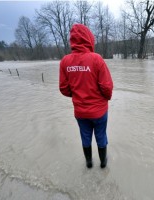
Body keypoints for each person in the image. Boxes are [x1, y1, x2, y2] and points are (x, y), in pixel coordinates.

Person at [59, 24, 113, 169]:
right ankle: (103, 163)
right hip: (99, 111)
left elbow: (63, 89)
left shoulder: (65, 61)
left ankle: (89, 163)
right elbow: (107, 88)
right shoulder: (96, 59)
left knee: (85, 137)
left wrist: (77, 93)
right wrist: (104, 98)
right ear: (89, 38)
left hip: (80, 111)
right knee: (101, 136)